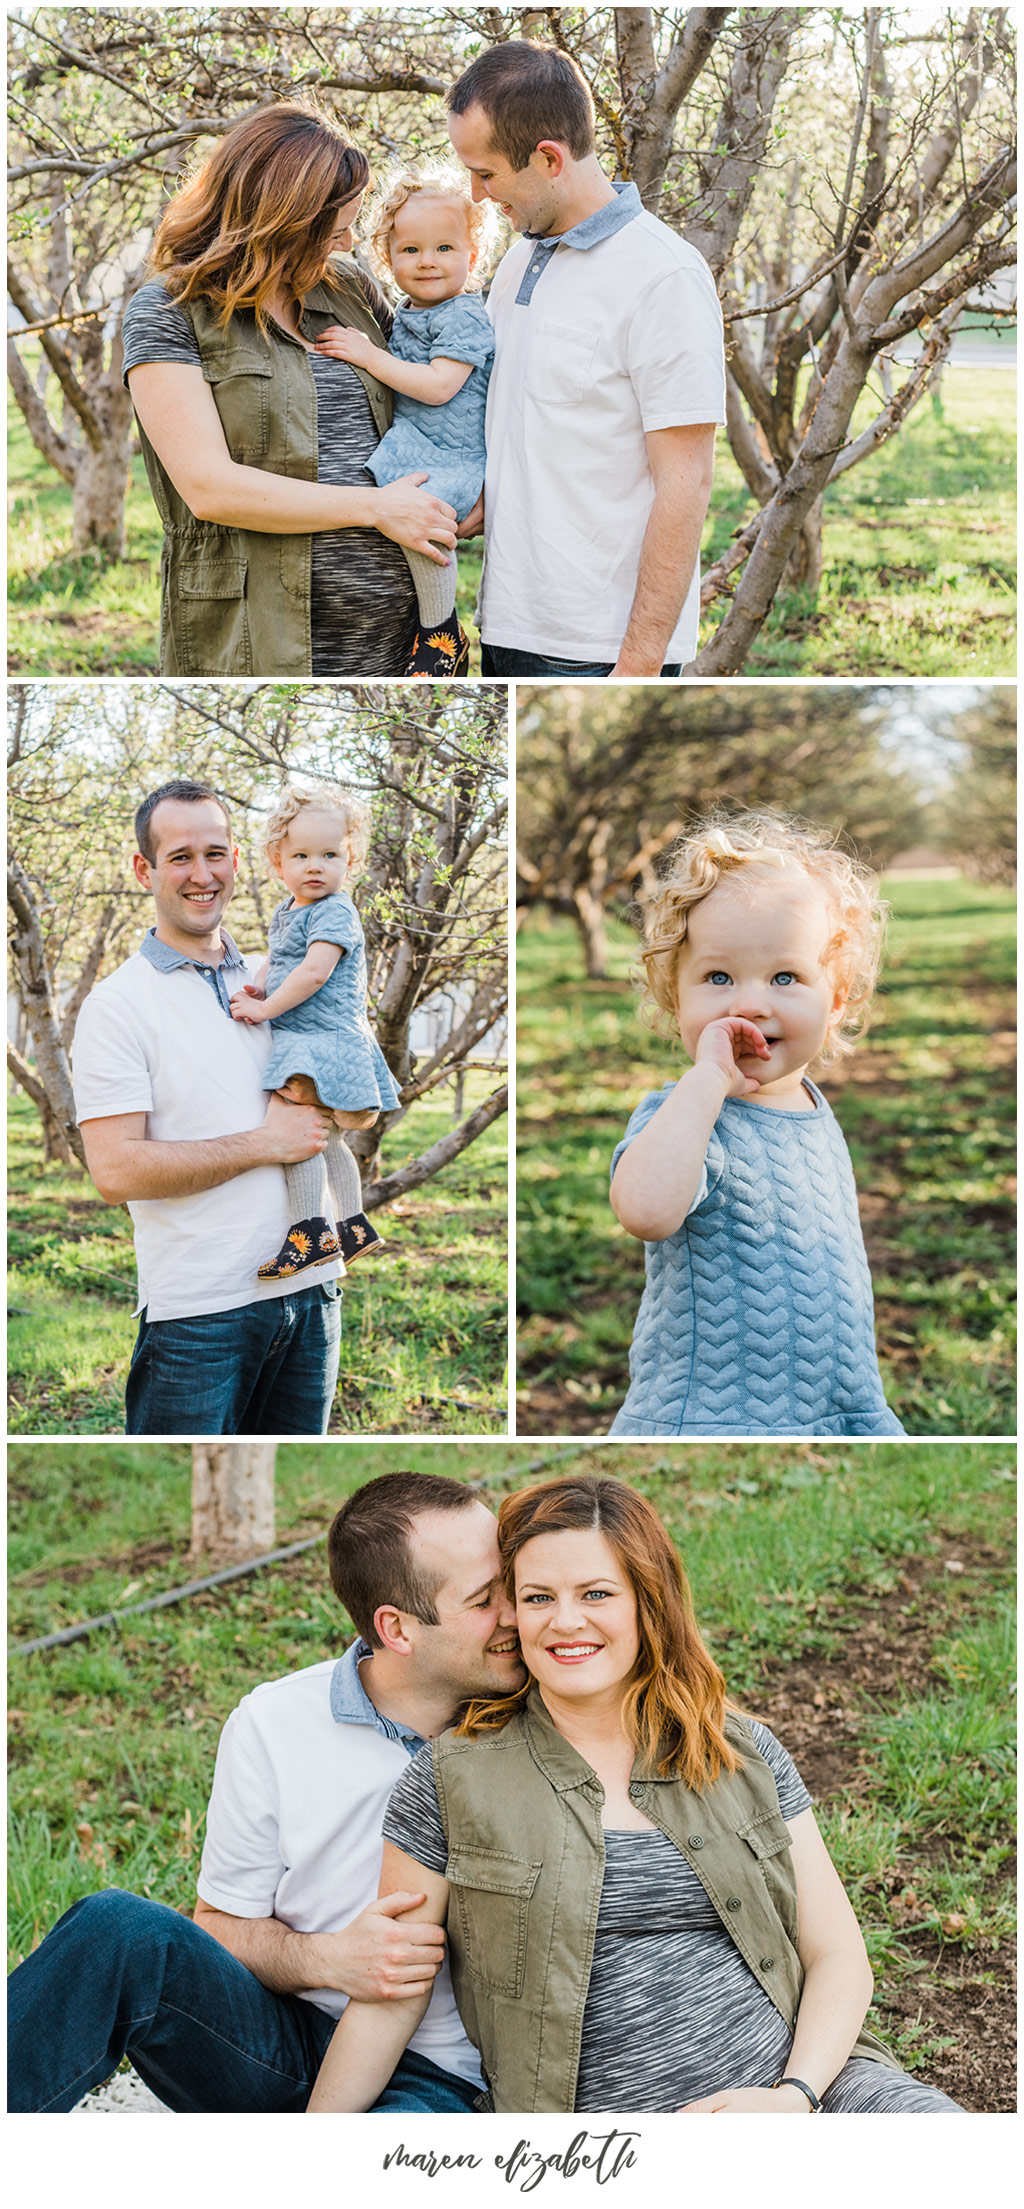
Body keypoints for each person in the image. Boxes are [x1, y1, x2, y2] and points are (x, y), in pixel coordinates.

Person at [308, 1475, 961, 2115]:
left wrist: (795, 2096)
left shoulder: (740, 1748)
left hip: (805, 2089)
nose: (566, 1621)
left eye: (595, 1592)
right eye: (537, 1597)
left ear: (647, 1602)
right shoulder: (451, 1776)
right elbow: (393, 1994)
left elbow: (837, 1952)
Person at [7, 1472, 525, 2114]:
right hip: (275, 2042)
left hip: (435, 2075)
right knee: (117, 1928)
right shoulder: (274, 1722)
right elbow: (223, 1924)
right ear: (396, 1629)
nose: (516, 1614)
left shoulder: (542, 1720)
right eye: (483, 1600)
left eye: (510, 1583)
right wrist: (329, 1960)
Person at [121, 101, 458, 678]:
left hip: (406, 645)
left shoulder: (349, 288)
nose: (350, 243)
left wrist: (461, 490)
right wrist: (377, 509)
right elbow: (209, 488)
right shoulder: (168, 311)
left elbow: (426, 398)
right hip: (258, 637)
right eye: (337, 227)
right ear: (282, 220)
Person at [608, 814, 906, 1437]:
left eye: (785, 977)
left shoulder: (813, 1108)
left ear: (837, 1000)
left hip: (836, 1403)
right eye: (718, 978)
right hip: (716, 1414)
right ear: (675, 997)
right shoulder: (687, 1113)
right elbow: (643, 1210)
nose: (750, 1001)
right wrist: (708, 1083)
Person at [446, 41, 726, 680]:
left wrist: (638, 666)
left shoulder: (664, 276)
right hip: (509, 626)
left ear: (548, 158)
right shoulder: (521, 257)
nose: (476, 194)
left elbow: (686, 484)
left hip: (601, 652)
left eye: (485, 174)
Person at [72, 779, 343, 1436]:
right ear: (145, 869)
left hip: (313, 1296)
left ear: (239, 861)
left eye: (216, 853)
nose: (203, 874)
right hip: (201, 1316)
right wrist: (265, 1142)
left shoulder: (275, 980)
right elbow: (115, 1171)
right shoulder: (118, 1005)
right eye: (181, 856)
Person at [315, 163, 497, 677]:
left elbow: (440, 386)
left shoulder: (463, 314)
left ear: (472, 256)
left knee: (425, 527)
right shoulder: (408, 309)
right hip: (421, 443)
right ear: (387, 257)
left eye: (445, 249)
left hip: (451, 453)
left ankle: (441, 630)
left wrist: (369, 356)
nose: (428, 262)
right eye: (410, 250)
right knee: (411, 521)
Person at [228, 781, 399, 1280]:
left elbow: (313, 972)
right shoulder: (290, 910)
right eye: (301, 855)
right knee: (325, 1140)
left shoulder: (335, 909)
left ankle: (309, 1236)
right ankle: (352, 1225)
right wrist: (260, 989)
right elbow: (282, 963)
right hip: (314, 1039)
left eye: (330, 854)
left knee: (295, 1133)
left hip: (322, 1040)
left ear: (350, 860)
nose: (315, 865)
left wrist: (264, 1012)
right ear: (277, 864)